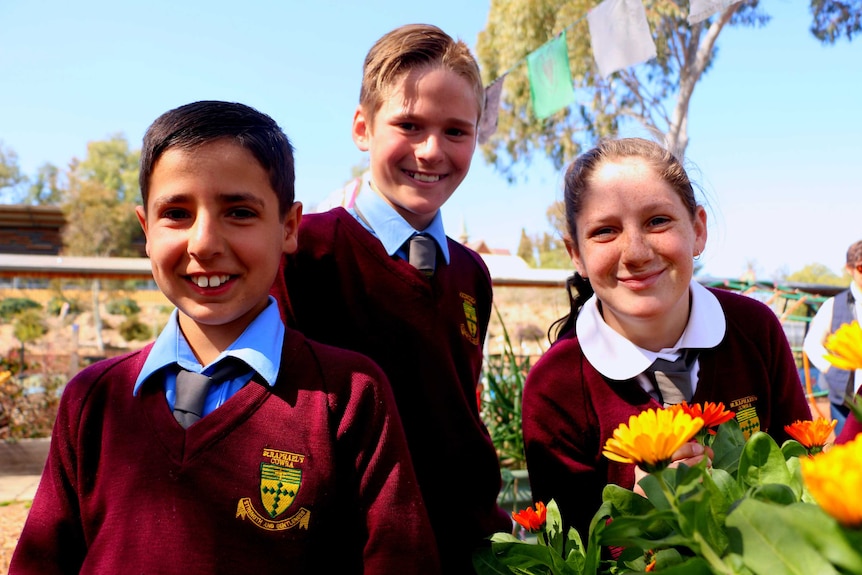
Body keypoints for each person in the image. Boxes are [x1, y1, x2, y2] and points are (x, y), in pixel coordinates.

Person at [9, 100, 439, 574]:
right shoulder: (92, 401)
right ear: (145, 230)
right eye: (176, 212)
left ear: (289, 227)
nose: (204, 243)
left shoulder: (350, 397)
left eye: (238, 211)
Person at [271, 24, 511, 574]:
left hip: (461, 541)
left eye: (456, 131)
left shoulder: (470, 272)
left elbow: (457, 404)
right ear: (363, 127)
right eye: (409, 125)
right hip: (350, 545)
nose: (431, 151)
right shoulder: (307, 249)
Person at [521, 137, 812, 542]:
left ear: (697, 230)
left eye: (657, 221)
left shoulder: (755, 329)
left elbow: (803, 474)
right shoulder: (556, 384)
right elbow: (568, 552)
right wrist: (639, 513)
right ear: (576, 254)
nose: (636, 252)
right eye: (605, 231)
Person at [802, 240, 862, 436]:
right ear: (849, 269)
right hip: (845, 400)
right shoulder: (833, 305)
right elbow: (811, 344)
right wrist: (831, 368)